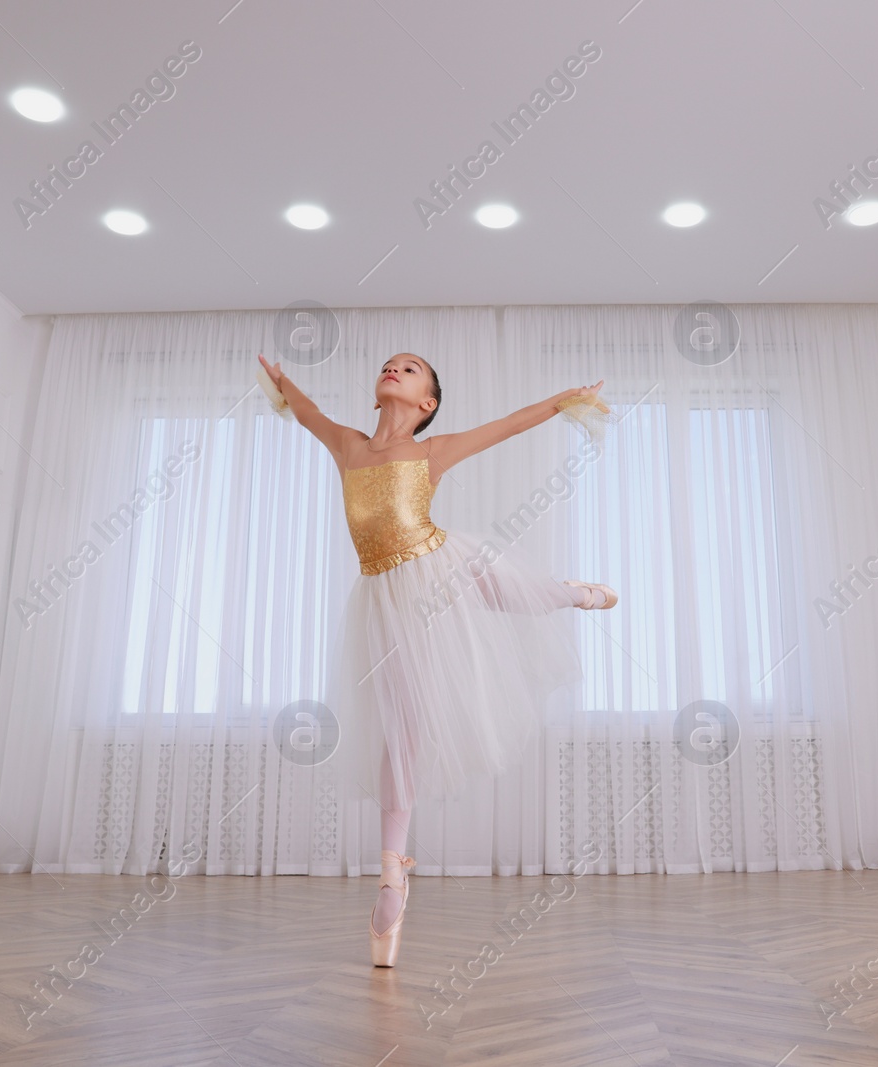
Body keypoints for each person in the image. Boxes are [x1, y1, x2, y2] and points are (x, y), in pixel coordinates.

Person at [255, 351, 616, 967]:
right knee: (404, 730)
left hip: (436, 560)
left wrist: (563, 400)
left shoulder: (431, 452)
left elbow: (505, 426)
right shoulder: (348, 445)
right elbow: (308, 413)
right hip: (384, 596)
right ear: (377, 395)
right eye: (390, 365)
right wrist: (283, 382)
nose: (395, 368)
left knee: (500, 587)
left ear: (428, 403)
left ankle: (569, 594)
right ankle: (392, 875)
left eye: (412, 368)